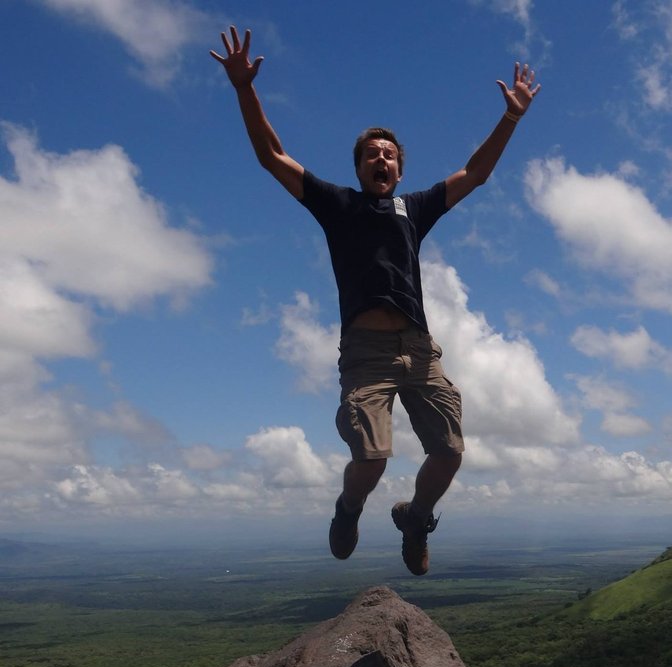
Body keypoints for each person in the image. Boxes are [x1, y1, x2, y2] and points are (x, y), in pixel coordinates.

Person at [211, 26, 540, 575]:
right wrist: (245, 88)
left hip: (419, 347)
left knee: (451, 452)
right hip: (366, 352)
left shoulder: (416, 209)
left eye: (389, 155)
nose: (381, 161)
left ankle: (416, 518)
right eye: (371, 155)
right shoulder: (339, 206)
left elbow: (476, 174)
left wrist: (511, 117)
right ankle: (349, 509)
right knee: (371, 455)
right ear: (359, 167)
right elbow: (272, 156)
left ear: (400, 169)